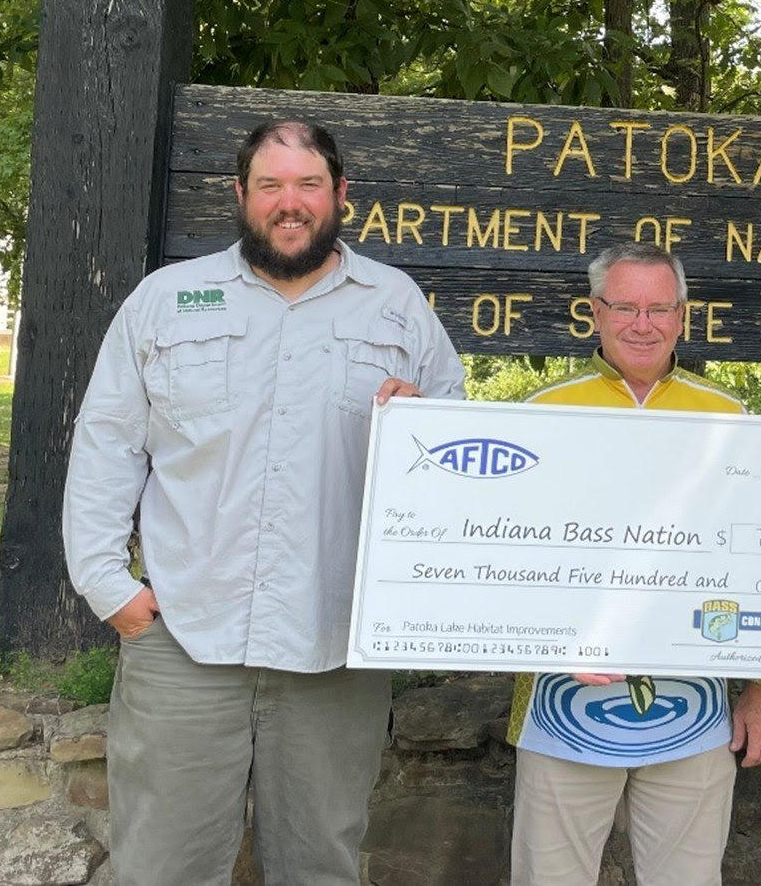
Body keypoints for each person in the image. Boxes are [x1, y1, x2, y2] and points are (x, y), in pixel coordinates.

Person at [63, 120, 467, 886]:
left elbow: (457, 458)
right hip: (184, 639)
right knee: (161, 869)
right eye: (270, 185)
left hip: (333, 645)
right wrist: (111, 589)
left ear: (340, 194)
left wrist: (423, 423)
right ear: (239, 195)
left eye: (308, 184)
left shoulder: (396, 306)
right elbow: (106, 444)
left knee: (319, 867)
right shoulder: (166, 301)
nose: (290, 202)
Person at [507, 241, 761, 886]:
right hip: (560, 706)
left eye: (659, 309)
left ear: (682, 317)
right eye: (625, 307)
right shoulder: (538, 415)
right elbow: (504, 562)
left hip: (696, 713)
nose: (643, 324)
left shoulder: (733, 418)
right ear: (595, 313)